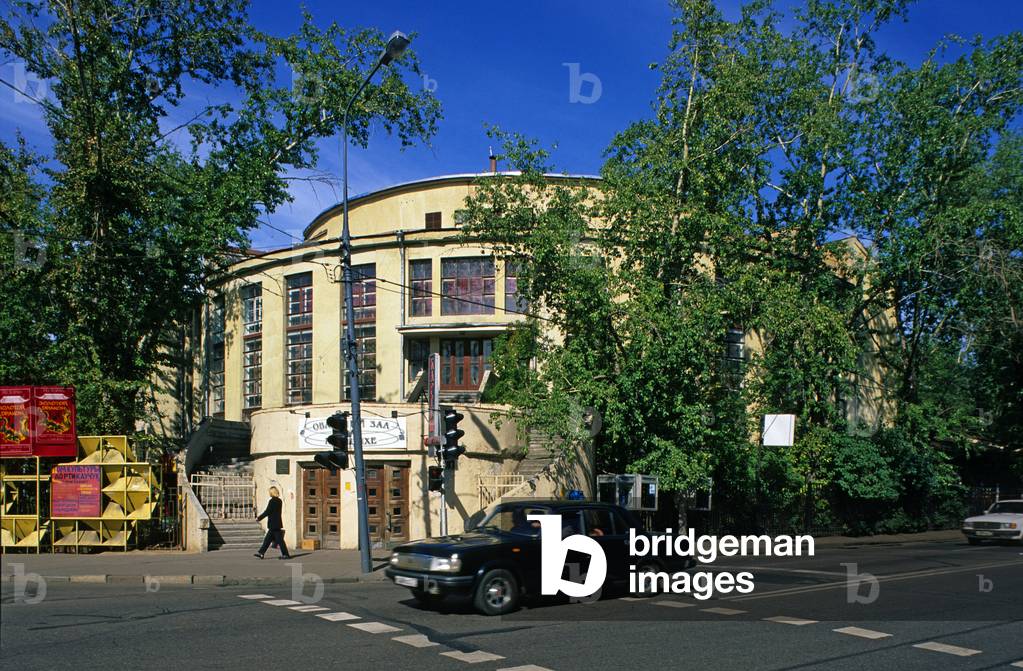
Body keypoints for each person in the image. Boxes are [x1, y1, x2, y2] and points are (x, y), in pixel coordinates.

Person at [254, 486, 291, 559]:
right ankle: (261, 553)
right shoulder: (279, 501)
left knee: (278, 541)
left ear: (272, 492)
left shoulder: (272, 501)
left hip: (273, 524)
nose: (269, 493)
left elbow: (267, 511)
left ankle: (285, 554)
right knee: (269, 540)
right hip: (277, 523)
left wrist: (259, 518)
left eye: (270, 492)